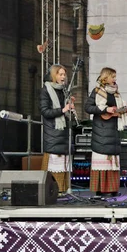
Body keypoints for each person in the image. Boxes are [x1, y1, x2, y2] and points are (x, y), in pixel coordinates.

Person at [84, 67, 127, 197]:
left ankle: (112, 189)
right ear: (106, 77)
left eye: (115, 77)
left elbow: (118, 110)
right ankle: (101, 189)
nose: (115, 79)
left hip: (114, 129)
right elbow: (88, 107)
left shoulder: (116, 93)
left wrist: (126, 111)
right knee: (103, 159)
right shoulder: (97, 91)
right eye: (113, 76)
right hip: (102, 131)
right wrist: (105, 109)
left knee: (112, 161)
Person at [39, 64, 75, 193]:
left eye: (64, 74)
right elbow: (45, 112)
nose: (63, 77)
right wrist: (63, 109)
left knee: (64, 163)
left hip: (63, 132)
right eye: (60, 74)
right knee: (55, 162)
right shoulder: (46, 90)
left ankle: (63, 189)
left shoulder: (63, 91)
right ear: (54, 75)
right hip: (53, 132)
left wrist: (69, 105)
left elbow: (64, 112)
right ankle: (53, 191)